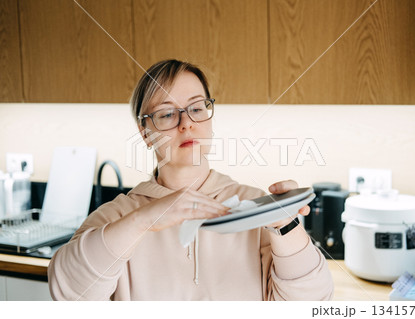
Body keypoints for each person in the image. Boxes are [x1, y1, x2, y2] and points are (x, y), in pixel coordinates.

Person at [48, 59, 333, 301]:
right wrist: (142, 220)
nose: (186, 123)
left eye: (196, 108)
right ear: (145, 133)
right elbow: (69, 292)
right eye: (166, 113)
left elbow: (313, 301)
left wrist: (287, 225)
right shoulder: (117, 216)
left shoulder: (256, 208)